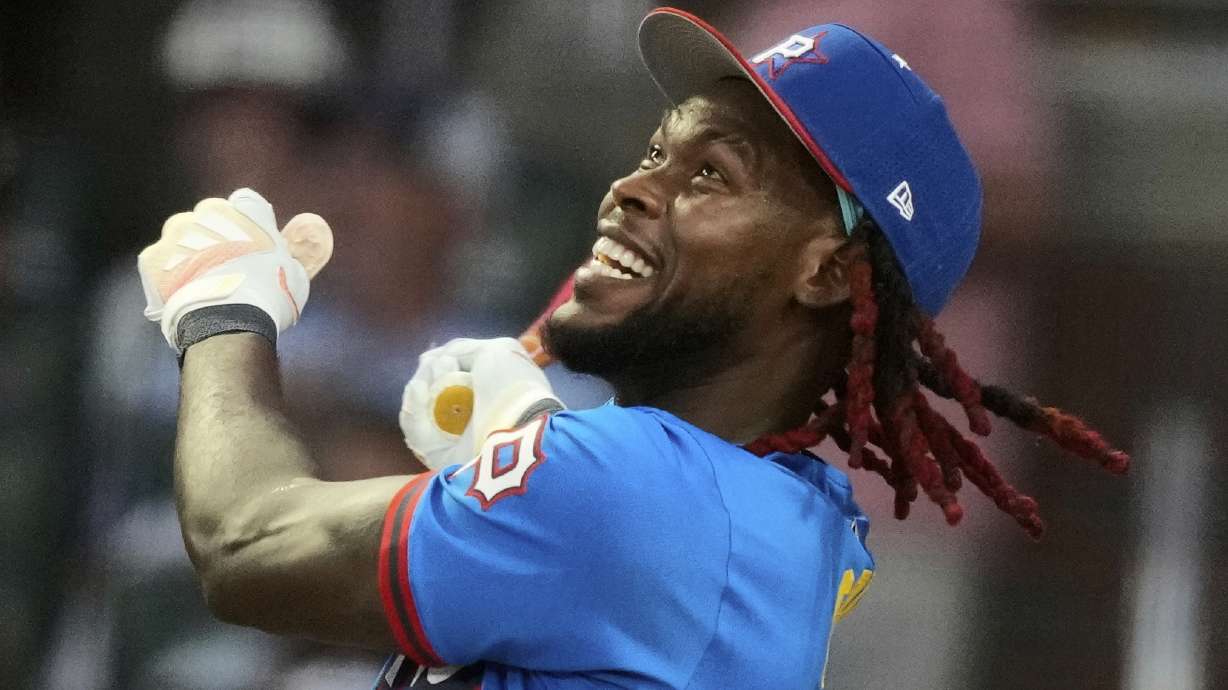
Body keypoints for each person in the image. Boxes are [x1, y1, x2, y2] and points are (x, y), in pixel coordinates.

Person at [135, 8, 1128, 689]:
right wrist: (522, 438)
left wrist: (222, 313)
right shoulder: (799, 518)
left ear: (826, 273)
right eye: (657, 152)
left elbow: (246, 546)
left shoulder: (613, 489)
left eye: (709, 175)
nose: (632, 189)